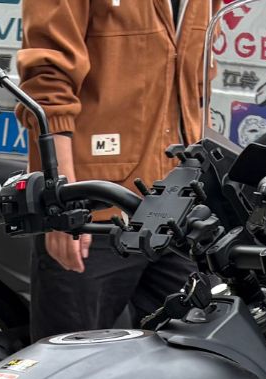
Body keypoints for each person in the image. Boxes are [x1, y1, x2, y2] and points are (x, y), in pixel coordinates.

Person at [18, 0, 212, 337]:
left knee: (198, 350)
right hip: (94, 210)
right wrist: (62, 202)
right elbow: (47, 81)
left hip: (177, 205)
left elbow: (199, 82)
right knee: (73, 359)